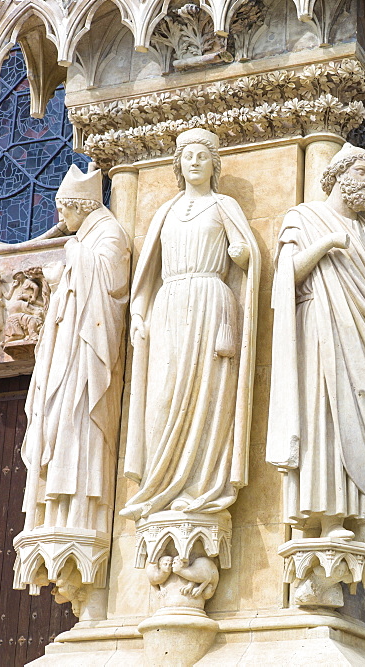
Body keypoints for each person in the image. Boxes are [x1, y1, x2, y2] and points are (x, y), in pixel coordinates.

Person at [267, 143, 365, 554]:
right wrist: (326, 244)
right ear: (339, 174)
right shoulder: (303, 218)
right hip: (323, 332)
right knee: (327, 418)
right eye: (362, 172)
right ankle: (328, 517)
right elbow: (285, 276)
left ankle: (362, 519)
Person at [122, 128, 260, 521]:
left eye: (202, 155)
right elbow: (147, 273)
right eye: (188, 156)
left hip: (210, 300)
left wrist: (243, 254)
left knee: (207, 394)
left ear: (214, 165)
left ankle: (198, 487)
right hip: (169, 304)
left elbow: (248, 257)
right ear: (178, 165)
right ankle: (159, 486)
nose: (195, 161)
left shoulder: (223, 205)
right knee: (162, 397)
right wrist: (137, 314)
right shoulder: (165, 211)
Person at [19, 163, 131, 538]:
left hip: (85, 352)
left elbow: (112, 288)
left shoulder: (108, 236)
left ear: (81, 206)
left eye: (63, 208)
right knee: (56, 415)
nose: (59, 216)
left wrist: (72, 257)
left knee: (76, 415)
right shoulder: (86, 240)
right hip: (66, 347)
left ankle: (81, 510)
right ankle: (57, 506)